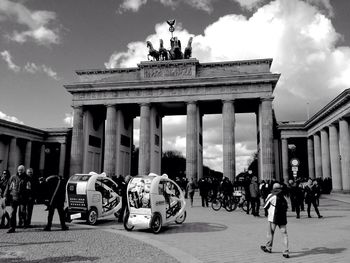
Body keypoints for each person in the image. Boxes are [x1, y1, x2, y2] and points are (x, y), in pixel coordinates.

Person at [261, 182, 289, 258]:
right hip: (282, 218)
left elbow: (265, 205)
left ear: (273, 188)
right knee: (284, 235)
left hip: (273, 217)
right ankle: (285, 252)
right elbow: (287, 206)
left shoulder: (272, 195)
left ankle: (268, 248)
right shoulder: (284, 195)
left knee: (271, 233)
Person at [4, 165, 29, 233]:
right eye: (19, 170)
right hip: (14, 197)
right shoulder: (13, 177)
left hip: (23, 198)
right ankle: (12, 227)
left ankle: (24, 223)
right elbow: (8, 186)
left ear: (24, 171)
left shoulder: (27, 178)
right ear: (17, 170)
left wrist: (28, 196)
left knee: (23, 212)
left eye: (21, 170)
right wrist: (5, 195)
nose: (20, 171)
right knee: (13, 213)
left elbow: (29, 188)